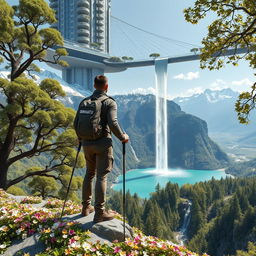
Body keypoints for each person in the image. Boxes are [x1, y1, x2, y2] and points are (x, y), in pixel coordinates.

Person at [77, 75, 129, 223]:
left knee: (89, 173)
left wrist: (80, 138)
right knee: (102, 177)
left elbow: (76, 123)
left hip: (86, 143)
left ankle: (85, 207)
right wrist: (122, 137)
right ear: (106, 86)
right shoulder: (109, 102)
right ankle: (99, 213)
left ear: (94, 85)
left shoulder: (84, 101)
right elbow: (113, 122)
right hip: (102, 144)